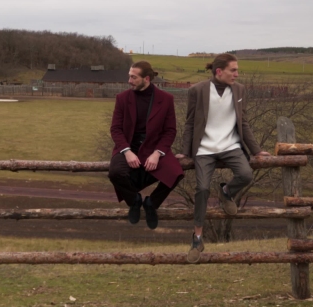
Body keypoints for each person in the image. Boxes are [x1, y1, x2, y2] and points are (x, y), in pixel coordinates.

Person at [176, 53, 271, 263]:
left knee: (246, 175)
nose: (237, 74)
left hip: (231, 145)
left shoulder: (239, 90)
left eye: (237, 70)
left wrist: (256, 151)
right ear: (219, 71)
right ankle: (197, 238)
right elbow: (190, 123)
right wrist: (184, 151)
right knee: (201, 189)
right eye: (233, 70)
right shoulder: (197, 90)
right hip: (204, 149)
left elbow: (243, 122)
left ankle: (227, 191)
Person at [108, 61, 184, 229]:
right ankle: (134, 200)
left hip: (153, 147)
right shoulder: (122, 98)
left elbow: (170, 131)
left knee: (176, 173)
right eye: (129, 76)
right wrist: (127, 151)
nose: (129, 80)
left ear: (146, 78)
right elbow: (115, 129)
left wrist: (157, 153)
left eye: (134, 77)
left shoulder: (166, 99)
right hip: (128, 145)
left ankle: (151, 204)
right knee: (115, 172)